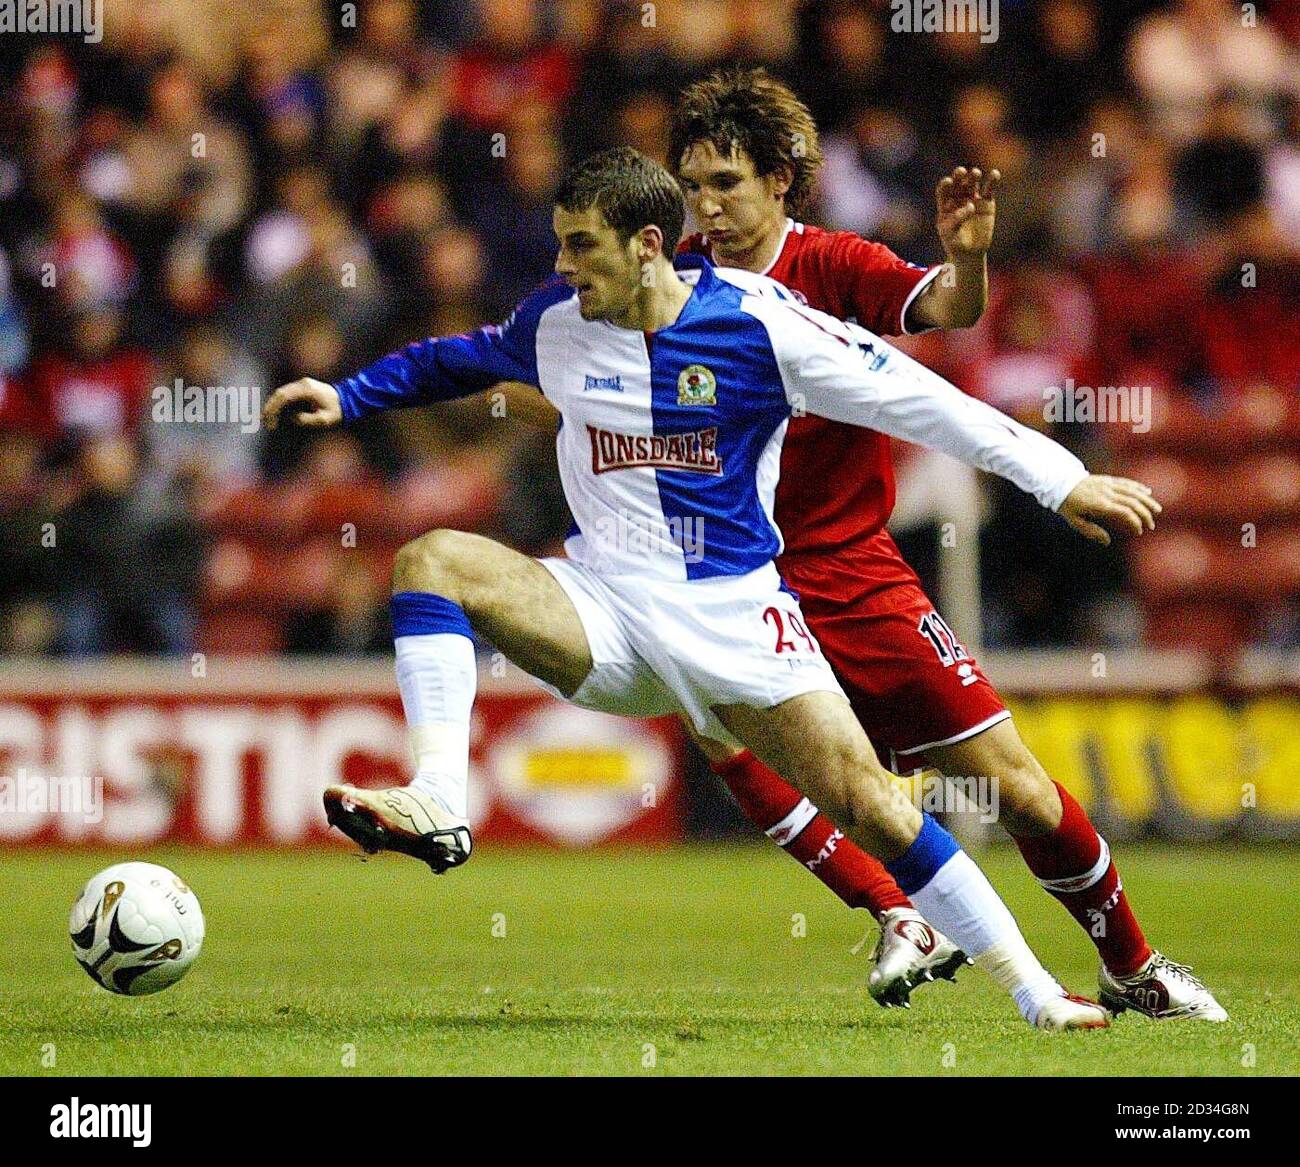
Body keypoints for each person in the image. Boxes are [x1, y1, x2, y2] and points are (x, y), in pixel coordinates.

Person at [262, 147, 1157, 1030]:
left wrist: (1060, 477)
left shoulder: (765, 326)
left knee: (875, 806)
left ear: (647, 243)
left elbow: (925, 402)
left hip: (732, 619)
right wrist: (349, 397)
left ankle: (1038, 993)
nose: (563, 266)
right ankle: (440, 799)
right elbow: (459, 358)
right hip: (604, 610)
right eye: (561, 245)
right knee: (432, 560)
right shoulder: (558, 321)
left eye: (581, 247)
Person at [666, 67, 1224, 1021]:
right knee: (733, 745)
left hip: (850, 571)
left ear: (783, 180)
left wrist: (966, 263)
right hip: (737, 575)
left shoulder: (833, 263)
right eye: (694, 185)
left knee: (1014, 785)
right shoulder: (671, 278)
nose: (706, 208)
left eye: (727, 183)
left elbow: (944, 312)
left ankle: (1131, 963)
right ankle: (897, 913)